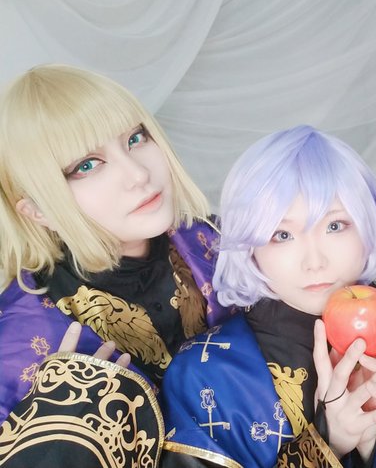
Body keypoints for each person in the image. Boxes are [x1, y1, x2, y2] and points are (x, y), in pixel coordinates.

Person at [160, 125, 376, 467]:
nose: (314, 261)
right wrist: (329, 442)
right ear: (249, 248)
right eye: (282, 234)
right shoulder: (202, 374)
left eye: (335, 226)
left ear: (368, 226)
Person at [0, 64, 228, 467]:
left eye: (135, 139)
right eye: (87, 165)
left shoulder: (217, 241)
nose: (138, 174)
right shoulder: (19, 341)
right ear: (38, 211)